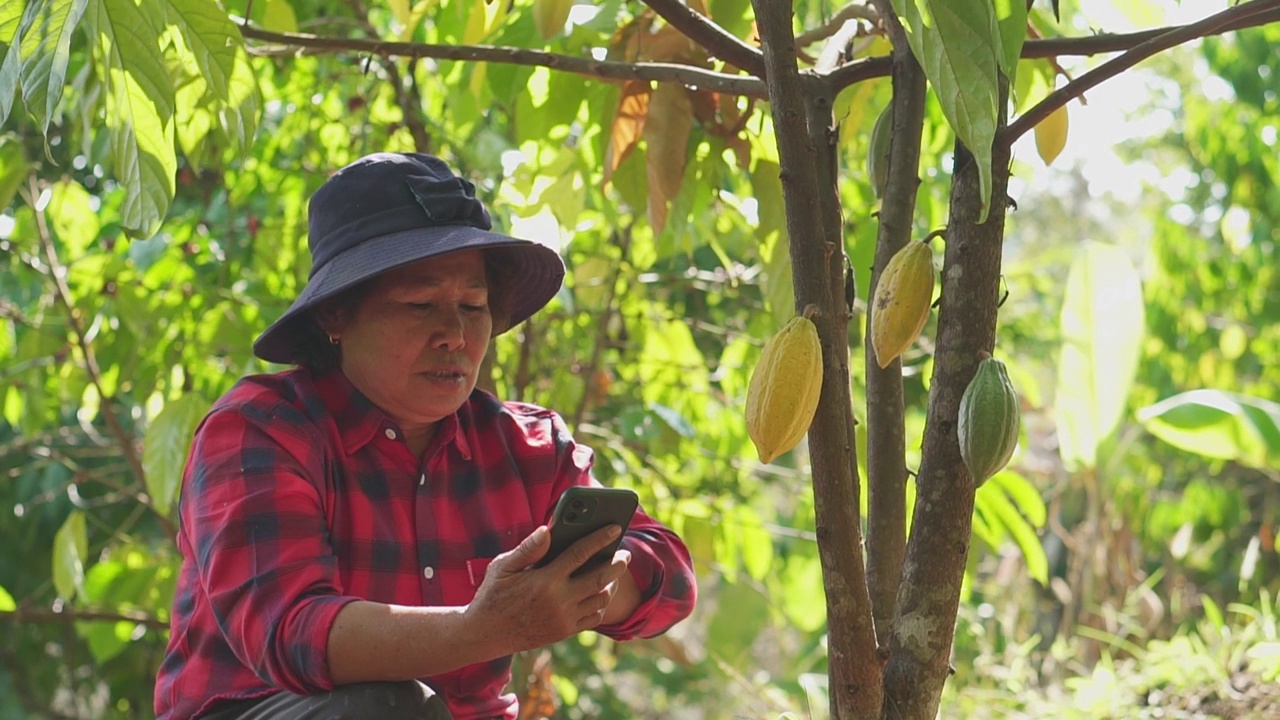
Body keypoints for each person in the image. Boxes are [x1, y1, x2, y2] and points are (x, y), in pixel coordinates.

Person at [153, 152, 697, 720]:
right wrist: (484, 628)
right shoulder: (261, 431)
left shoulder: (525, 446)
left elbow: (672, 577)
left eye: (473, 306)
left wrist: (585, 586)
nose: (455, 336)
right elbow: (293, 631)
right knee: (387, 706)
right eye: (420, 305)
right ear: (336, 317)